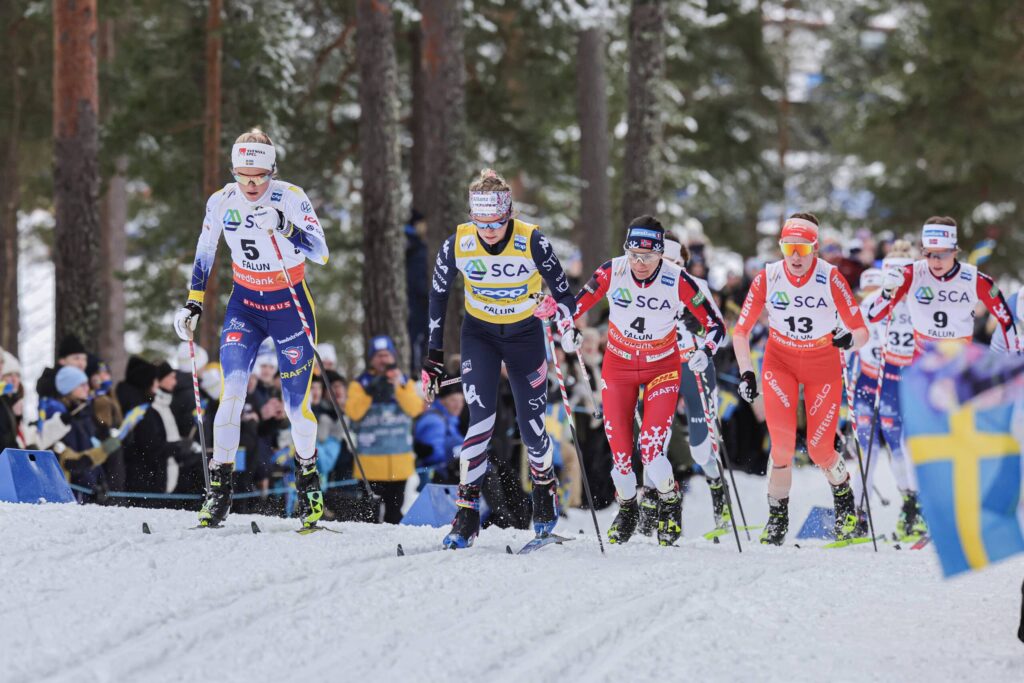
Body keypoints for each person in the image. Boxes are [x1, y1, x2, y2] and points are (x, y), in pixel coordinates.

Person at [172, 127, 330, 529]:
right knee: (231, 396)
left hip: (290, 305)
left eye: (260, 176)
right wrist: (194, 301)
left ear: (272, 171)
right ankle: (219, 493)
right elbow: (205, 250)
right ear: (234, 171)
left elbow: (321, 251)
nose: (252, 184)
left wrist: (284, 225)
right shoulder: (222, 201)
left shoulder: (290, 197)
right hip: (245, 304)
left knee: (297, 408)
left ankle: (308, 483)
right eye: (244, 175)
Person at [422, 168, 576, 548]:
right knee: (480, 423)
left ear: (509, 216)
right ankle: (467, 513)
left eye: (496, 223)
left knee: (531, 426)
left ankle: (543, 490)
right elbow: (438, 297)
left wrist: (558, 311)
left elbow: (566, 294)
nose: (488, 231)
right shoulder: (458, 241)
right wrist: (433, 356)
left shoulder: (531, 240)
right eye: (481, 223)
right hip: (481, 335)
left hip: (525, 336)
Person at [562, 218, 726, 545]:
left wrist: (705, 351)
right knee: (621, 456)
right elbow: (573, 306)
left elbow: (716, 325)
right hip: (618, 367)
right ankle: (627, 509)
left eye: (648, 257)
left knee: (651, 450)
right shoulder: (613, 270)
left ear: (661, 255)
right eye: (634, 254)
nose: (639, 263)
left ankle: (669, 500)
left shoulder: (678, 279)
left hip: (661, 368)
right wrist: (569, 330)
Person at [733, 213, 869, 545]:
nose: (795, 257)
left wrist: (849, 340)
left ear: (815, 249)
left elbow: (861, 330)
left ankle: (846, 505)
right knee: (781, 446)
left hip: (822, 365)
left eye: (803, 249)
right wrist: (746, 372)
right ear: (781, 247)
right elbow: (740, 331)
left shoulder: (831, 277)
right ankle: (777, 518)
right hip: (780, 363)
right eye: (789, 247)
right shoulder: (768, 277)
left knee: (820, 448)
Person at [653, 237, 734, 535]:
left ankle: (719, 494)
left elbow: (719, 333)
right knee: (654, 444)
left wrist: (696, 325)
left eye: (676, 264)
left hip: (695, 369)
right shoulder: (648, 285)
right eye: (666, 264)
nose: (671, 270)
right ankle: (653, 508)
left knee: (700, 450)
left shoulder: (696, 286)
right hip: (662, 369)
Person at [849, 241, 924, 539]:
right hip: (870, 382)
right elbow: (851, 346)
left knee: (900, 449)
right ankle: (857, 514)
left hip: (903, 381)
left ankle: (912, 507)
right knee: (866, 453)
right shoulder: (871, 304)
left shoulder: (919, 301)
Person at [868, 217, 1018, 355]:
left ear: (954, 252)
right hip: (923, 360)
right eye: (929, 253)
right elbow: (874, 316)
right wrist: (886, 292)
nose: (935, 261)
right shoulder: (911, 274)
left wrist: (1012, 357)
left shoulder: (976, 279)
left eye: (943, 254)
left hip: (959, 360)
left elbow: (1006, 320)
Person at [346, 335, 424, 523]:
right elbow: (353, 412)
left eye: (387, 355)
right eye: (379, 355)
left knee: (394, 515)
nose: (383, 359)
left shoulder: (405, 382)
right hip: (369, 466)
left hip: (399, 464)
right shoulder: (360, 384)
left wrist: (398, 387)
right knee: (368, 518)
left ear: (393, 357)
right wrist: (370, 393)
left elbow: (415, 409)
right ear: (372, 358)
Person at [414, 380, 465, 485]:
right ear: (442, 400)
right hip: (436, 478)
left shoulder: (450, 420)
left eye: (461, 401)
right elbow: (433, 454)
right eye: (453, 400)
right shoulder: (435, 420)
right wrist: (454, 463)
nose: (458, 405)